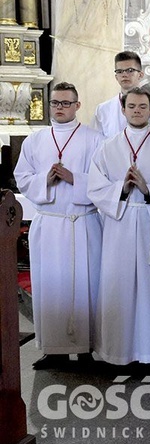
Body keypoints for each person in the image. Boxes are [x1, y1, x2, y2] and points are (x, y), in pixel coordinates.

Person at [14, 82, 103, 369]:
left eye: (66, 103)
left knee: (84, 286)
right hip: (50, 225)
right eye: (55, 103)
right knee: (49, 285)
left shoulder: (95, 139)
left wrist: (74, 177)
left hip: (82, 224)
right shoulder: (35, 140)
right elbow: (22, 177)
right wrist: (46, 180)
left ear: (78, 106)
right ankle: (53, 349)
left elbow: (104, 181)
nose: (60, 108)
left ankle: (86, 348)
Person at [88, 87, 150, 365]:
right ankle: (119, 351)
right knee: (119, 286)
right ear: (123, 110)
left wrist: (148, 188)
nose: (137, 111)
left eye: (143, 106)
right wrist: (122, 189)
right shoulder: (108, 147)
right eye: (132, 106)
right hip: (121, 224)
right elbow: (95, 188)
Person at [92, 51, 150, 138]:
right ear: (116, 77)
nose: (124, 75)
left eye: (130, 70)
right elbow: (96, 143)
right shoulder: (103, 110)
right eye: (120, 71)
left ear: (140, 75)